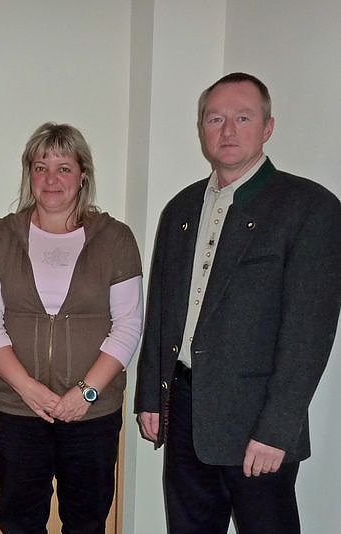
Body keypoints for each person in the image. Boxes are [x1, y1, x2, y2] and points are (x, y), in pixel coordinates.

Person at [134, 72, 341, 534]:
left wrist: (277, 429)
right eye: (215, 119)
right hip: (184, 409)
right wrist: (151, 395)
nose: (227, 131)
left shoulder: (309, 207)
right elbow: (162, 311)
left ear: (268, 127)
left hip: (257, 420)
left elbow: (309, 333)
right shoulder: (181, 209)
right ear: (201, 128)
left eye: (242, 118)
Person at [0, 122, 143, 533]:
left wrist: (86, 392)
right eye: (41, 167)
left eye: (63, 167)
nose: (51, 179)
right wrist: (28, 389)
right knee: (19, 521)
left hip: (92, 412)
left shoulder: (116, 239)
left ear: (83, 175)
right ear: (29, 174)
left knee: (86, 522)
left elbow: (128, 324)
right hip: (17, 409)